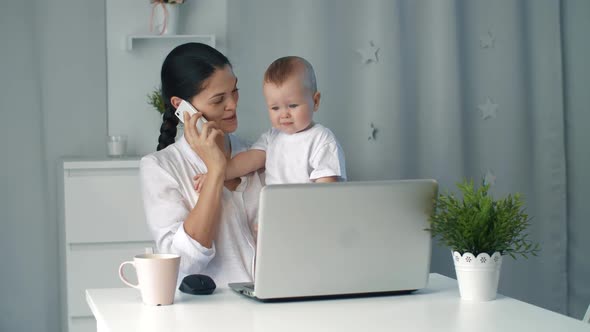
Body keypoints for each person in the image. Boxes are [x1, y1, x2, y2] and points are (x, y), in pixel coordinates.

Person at [139, 43, 261, 287]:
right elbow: (182, 263)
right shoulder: (160, 167)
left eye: (234, 90)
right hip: (211, 314)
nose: (233, 105)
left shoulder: (257, 154)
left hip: (275, 308)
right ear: (180, 105)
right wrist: (216, 171)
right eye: (218, 100)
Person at [193, 56, 346, 191]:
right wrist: (217, 175)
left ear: (315, 101)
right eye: (275, 108)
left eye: (292, 106)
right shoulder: (272, 137)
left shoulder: (322, 140)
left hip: (310, 213)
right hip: (276, 211)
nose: (284, 114)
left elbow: (327, 190)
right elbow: (247, 161)